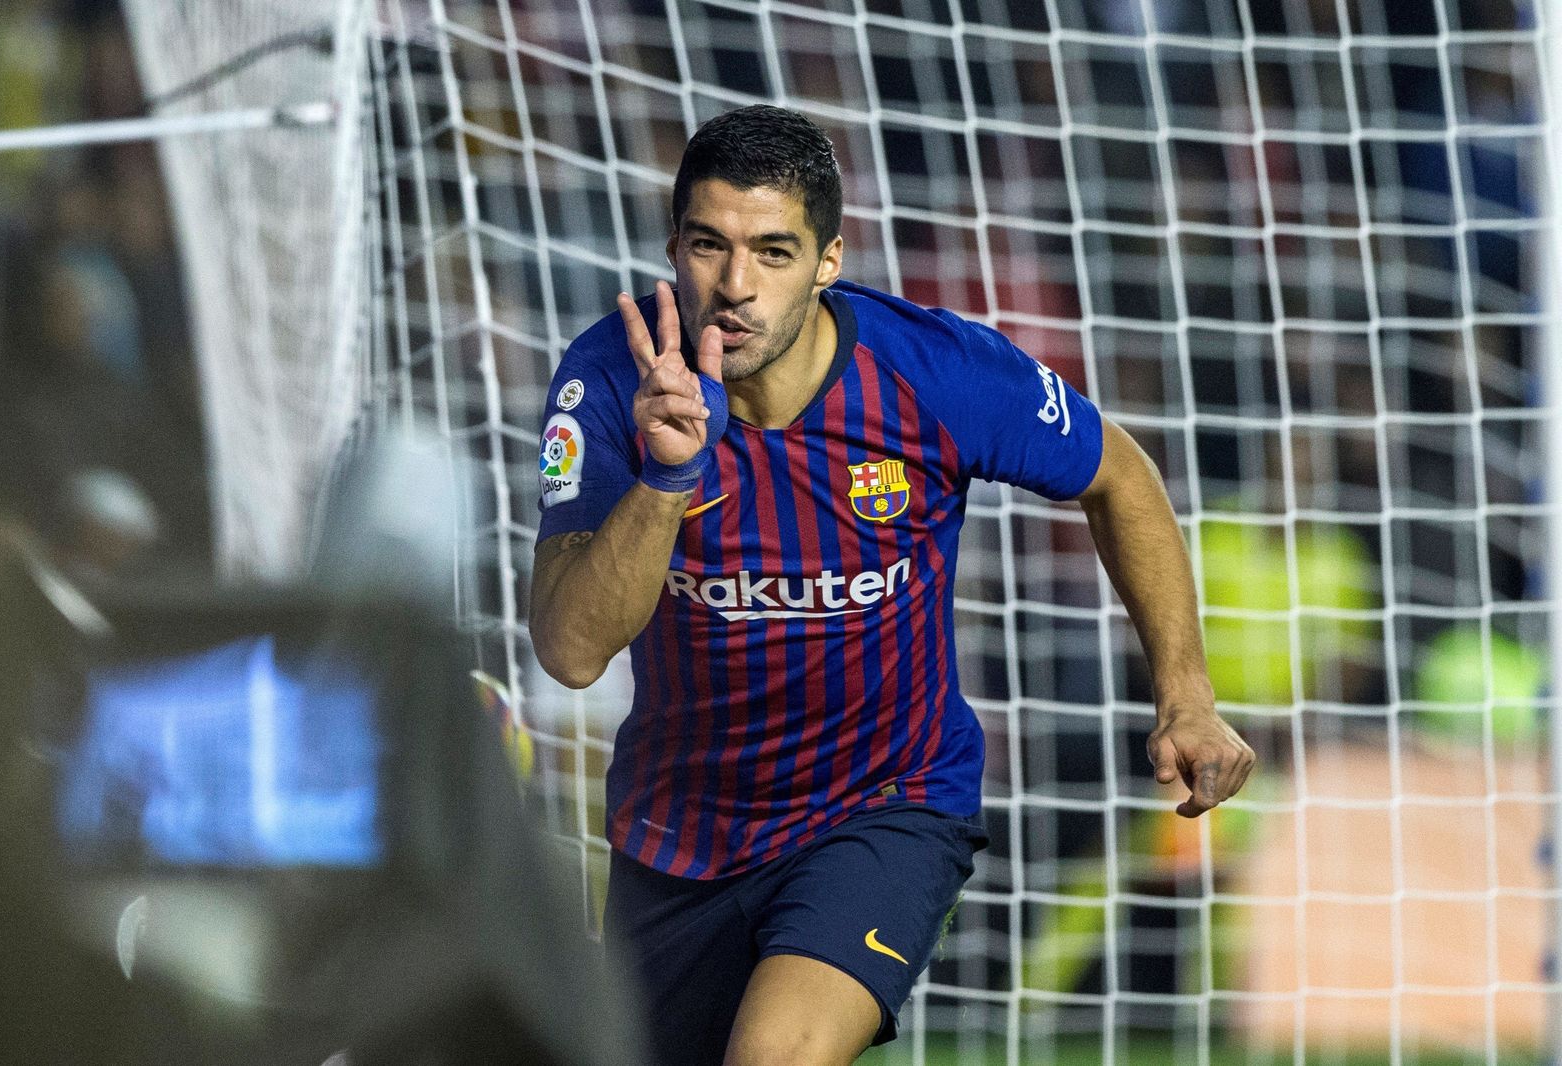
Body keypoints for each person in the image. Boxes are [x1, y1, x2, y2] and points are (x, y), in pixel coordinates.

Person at [528, 105, 1255, 1066]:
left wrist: (1187, 693)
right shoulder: (610, 383)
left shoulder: (934, 371)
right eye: (709, 246)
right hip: (679, 836)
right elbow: (572, 651)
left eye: (774, 252)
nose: (735, 288)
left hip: (883, 806)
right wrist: (668, 476)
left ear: (830, 261)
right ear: (674, 249)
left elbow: (1120, 474)